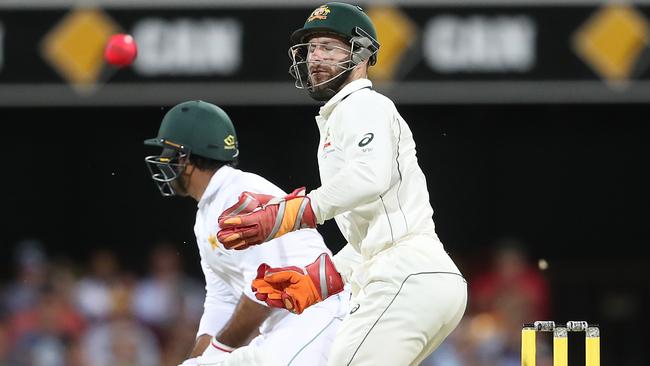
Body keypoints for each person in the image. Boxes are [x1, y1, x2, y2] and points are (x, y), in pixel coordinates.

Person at [216, 2, 468, 365]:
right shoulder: (343, 114)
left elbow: (371, 177)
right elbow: (375, 235)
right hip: (419, 279)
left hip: (406, 277)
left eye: (330, 48)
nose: (316, 57)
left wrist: (291, 213)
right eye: (312, 48)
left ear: (362, 55)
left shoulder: (363, 104)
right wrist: (322, 278)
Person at [143, 100, 346, 366]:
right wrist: (197, 359)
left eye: (169, 152)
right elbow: (221, 300)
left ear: (186, 158)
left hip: (316, 316)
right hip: (285, 327)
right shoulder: (208, 210)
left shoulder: (238, 197)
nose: (164, 161)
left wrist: (215, 354)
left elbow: (266, 294)